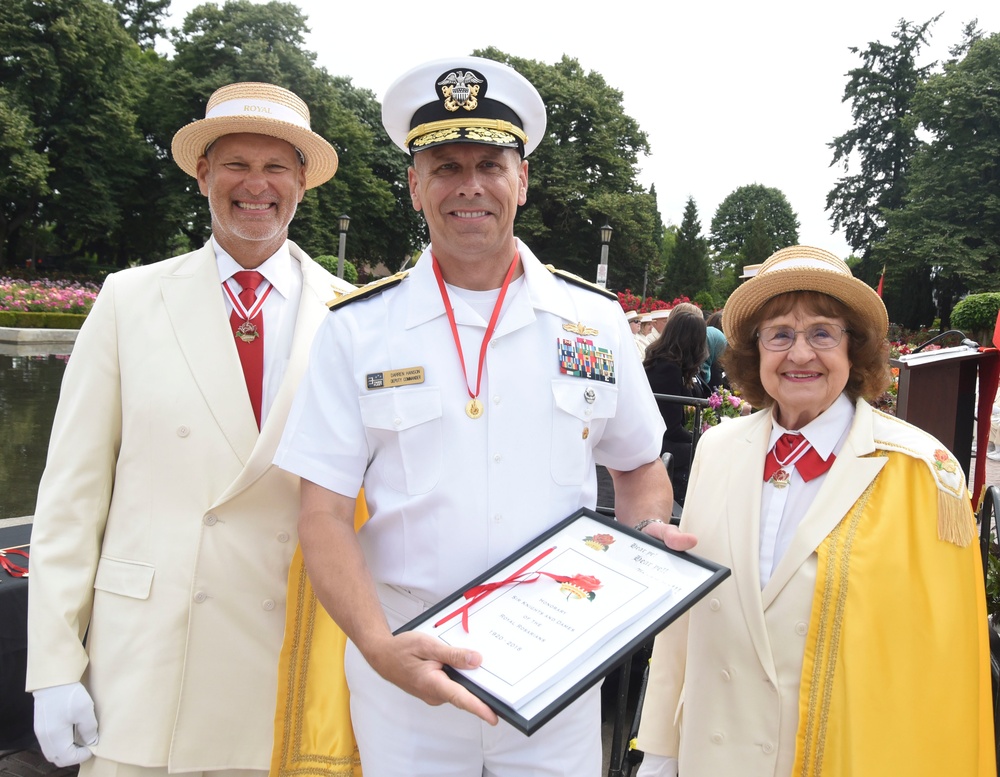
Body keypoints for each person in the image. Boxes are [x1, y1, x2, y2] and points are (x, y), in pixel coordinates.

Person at [273, 56, 696, 777]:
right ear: (414, 185)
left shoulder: (591, 322)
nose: (469, 185)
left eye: (490, 164)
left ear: (521, 181)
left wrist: (643, 543)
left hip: (558, 668)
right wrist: (378, 647)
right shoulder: (356, 331)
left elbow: (639, 471)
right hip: (408, 666)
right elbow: (321, 513)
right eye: (444, 166)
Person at [26, 82, 357, 776]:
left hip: (288, 673)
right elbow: (70, 499)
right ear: (203, 173)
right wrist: (54, 665)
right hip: (144, 674)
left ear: (303, 181)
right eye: (236, 162)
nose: (256, 184)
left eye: (276, 166)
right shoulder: (129, 299)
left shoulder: (355, 317)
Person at [635, 246, 995, 776]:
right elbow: (684, 627)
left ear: (857, 350)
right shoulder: (719, 448)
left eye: (822, 333)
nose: (799, 354)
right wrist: (661, 753)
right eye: (779, 333)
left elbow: (943, 671)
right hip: (710, 757)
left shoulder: (924, 473)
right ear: (754, 351)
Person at [643, 311, 709, 504]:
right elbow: (671, 427)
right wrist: (704, 439)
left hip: (662, 439)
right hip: (658, 444)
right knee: (708, 453)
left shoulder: (672, 365)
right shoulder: (667, 368)